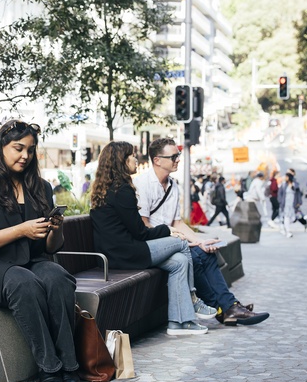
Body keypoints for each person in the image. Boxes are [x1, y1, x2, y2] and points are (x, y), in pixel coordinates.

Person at [0, 119, 81, 382]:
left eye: (31, 150)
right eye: (18, 148)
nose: (25, 156)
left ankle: (70, 365)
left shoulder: (41, 188)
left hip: (29, 262)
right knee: (23, 281)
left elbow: (51, 248)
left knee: (58, 276)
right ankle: (49, 367)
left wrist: (55, 230)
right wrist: (20, 230)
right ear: (1, 147)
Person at [134, 138, 269, 326]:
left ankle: (228, 308)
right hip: (154, 244)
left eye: (178, 155)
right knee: (195, 256)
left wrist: (199, 241)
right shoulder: (142, 184)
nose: (177, 160)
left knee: (205, 252)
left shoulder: (173, 186)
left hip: (174, 240)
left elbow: (178, 222)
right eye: (173, 156)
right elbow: (144, 224)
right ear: (157, 160)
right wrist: (177, 238)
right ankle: (226, 309)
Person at [90, 141, 215, 336]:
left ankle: (178, 323)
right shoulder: (122, 191)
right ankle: (192, 298)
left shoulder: (108, 189)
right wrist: (167, 230)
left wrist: (167, 231)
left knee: (180, 261)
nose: (136, 160)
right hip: (126, 254)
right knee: (181, 243)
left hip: (115, 253)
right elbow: (140, 232)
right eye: (131, 156)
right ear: (121, 161)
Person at [278, 172, 303, 238]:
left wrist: (299, 202)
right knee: (286, 217)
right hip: (286, 204)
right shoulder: (284, 185)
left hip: (293, 204)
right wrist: (280, 201)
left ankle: (283, 226)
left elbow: (298, 194)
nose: (285, 178)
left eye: (286, 177)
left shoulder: (295, 185)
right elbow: (280, 194)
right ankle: (288, 231)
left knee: (293, 218)